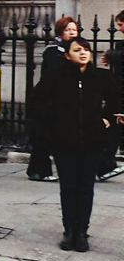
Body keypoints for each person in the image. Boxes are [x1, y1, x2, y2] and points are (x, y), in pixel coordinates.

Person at [29, 37, 121, 252]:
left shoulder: (101, 77)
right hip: (64, 142)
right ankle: (69, 230)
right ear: (67, 55)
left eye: (86, 49)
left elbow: (116, 101)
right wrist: (53, 128)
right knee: (68, 188)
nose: (83, 53)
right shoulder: (56, 78)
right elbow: (37, 103)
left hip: (92, 142)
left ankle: (82, 232)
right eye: (77, 50)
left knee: (85, 188)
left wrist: (106, 120)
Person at [27, 16, 80, 181]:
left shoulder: (73, 49)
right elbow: (57, 75)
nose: (72, 33)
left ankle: (100, 167)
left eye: (74, 29)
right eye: (68, 30)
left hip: (62, 99)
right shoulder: (54, 51)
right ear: (60, 32)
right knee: (44, 136)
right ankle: (38, 171)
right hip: (46, 100)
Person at [99, 9, 124, 180]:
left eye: (121, 25)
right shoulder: (120, 47)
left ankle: (104, 165)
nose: (120, 29)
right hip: (118, 94)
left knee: (112, 129)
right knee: (111, 128)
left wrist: (111, 55)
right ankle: (104, 165)